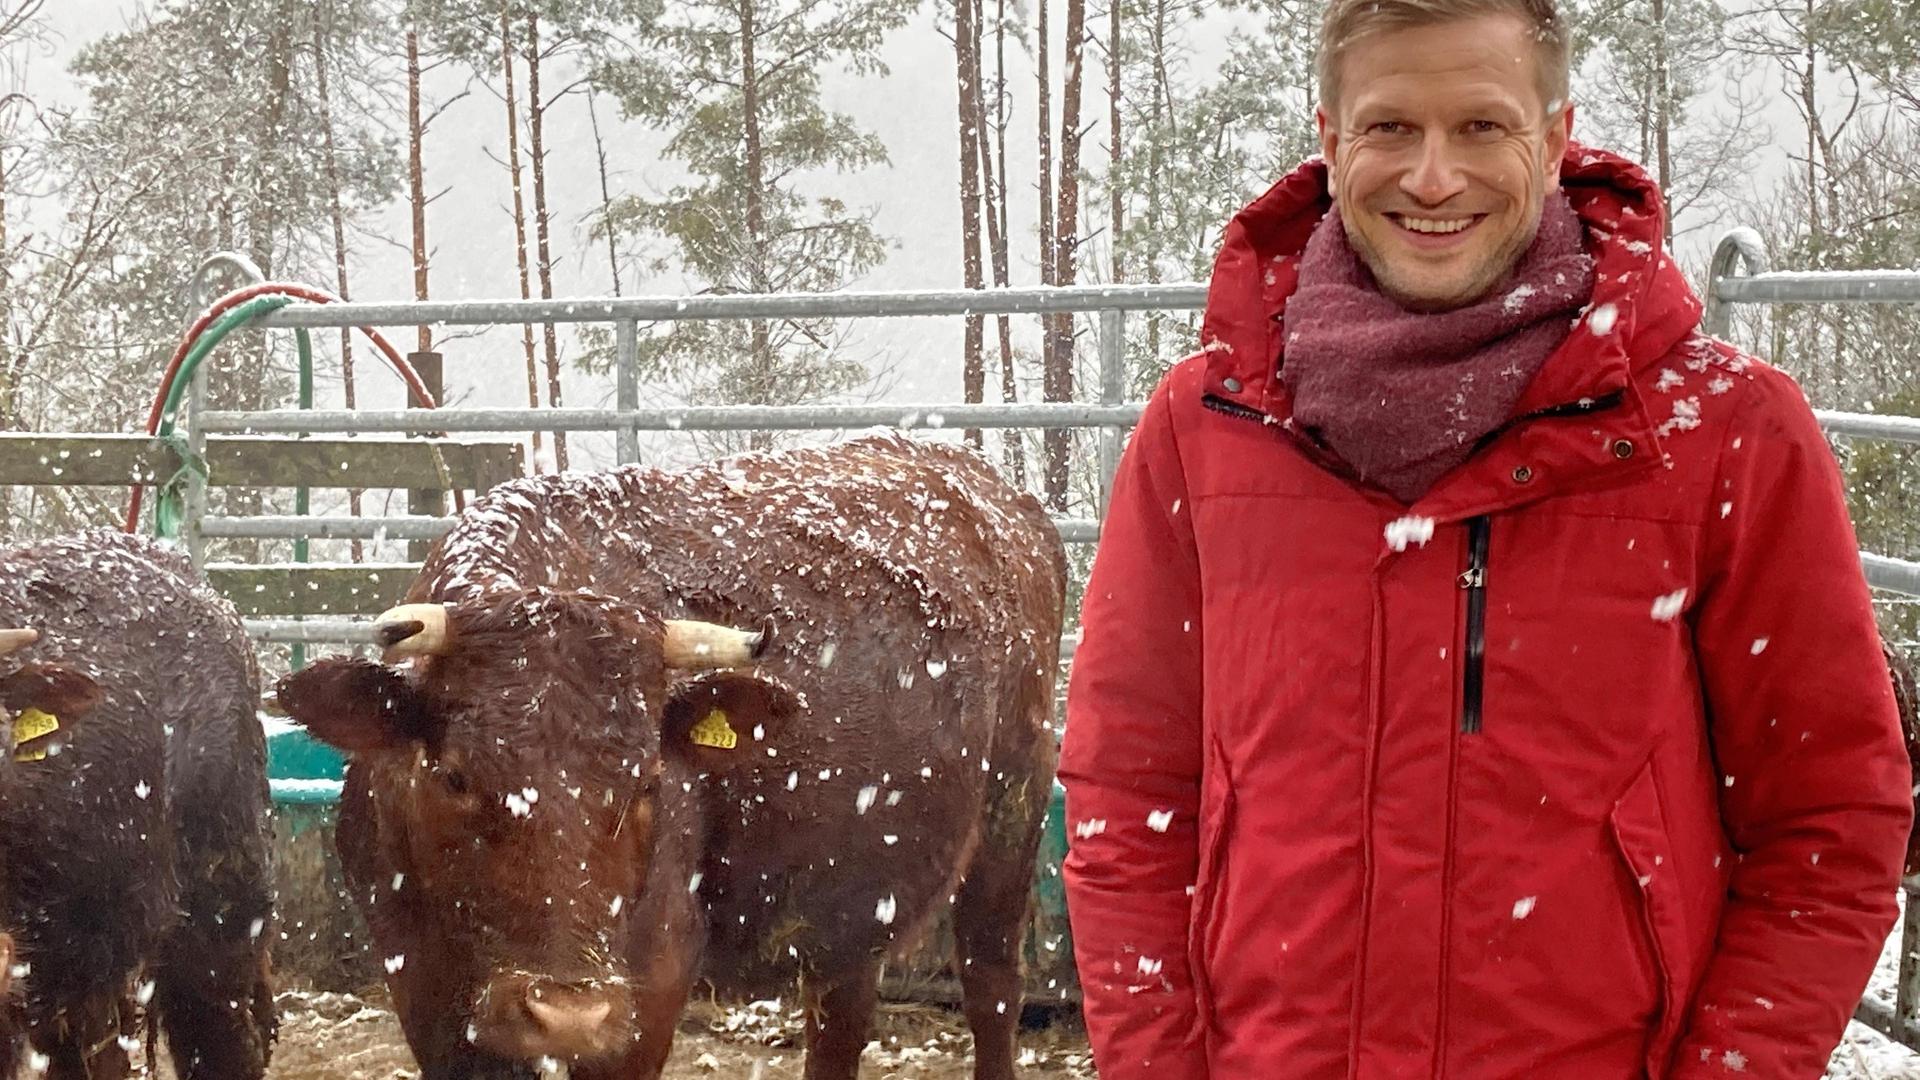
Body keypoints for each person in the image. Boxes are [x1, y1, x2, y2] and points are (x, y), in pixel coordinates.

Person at [1057, 0, 1915, 1076]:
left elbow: (1831, 817)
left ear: (1555, 139)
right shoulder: (1205, 431)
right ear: (1328, 140)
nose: (1430, 177)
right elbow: (1127, 795)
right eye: (1389, 128)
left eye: (1480, 127)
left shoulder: (1718, 431)